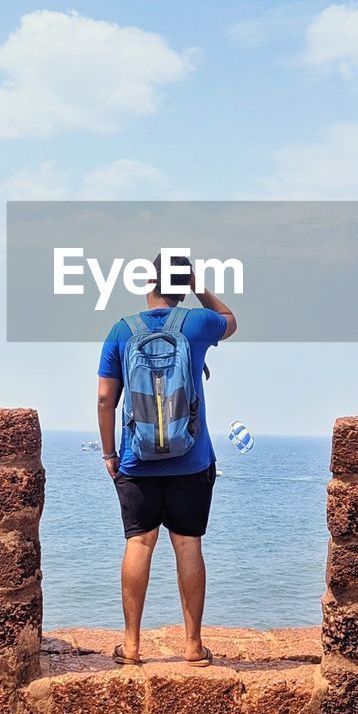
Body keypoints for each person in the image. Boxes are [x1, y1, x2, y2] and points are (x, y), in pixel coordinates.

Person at [96, 254, 237, 667]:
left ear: (149, 281)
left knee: (139, 542)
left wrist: (110, 453)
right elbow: (230, 318)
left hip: (137, 461)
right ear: (183, 285)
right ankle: (193, 647)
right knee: (187, 543)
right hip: (191, 460)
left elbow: (106, 398)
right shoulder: (197, 324)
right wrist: (198, 285)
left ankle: (132, 646)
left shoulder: (122, 330)